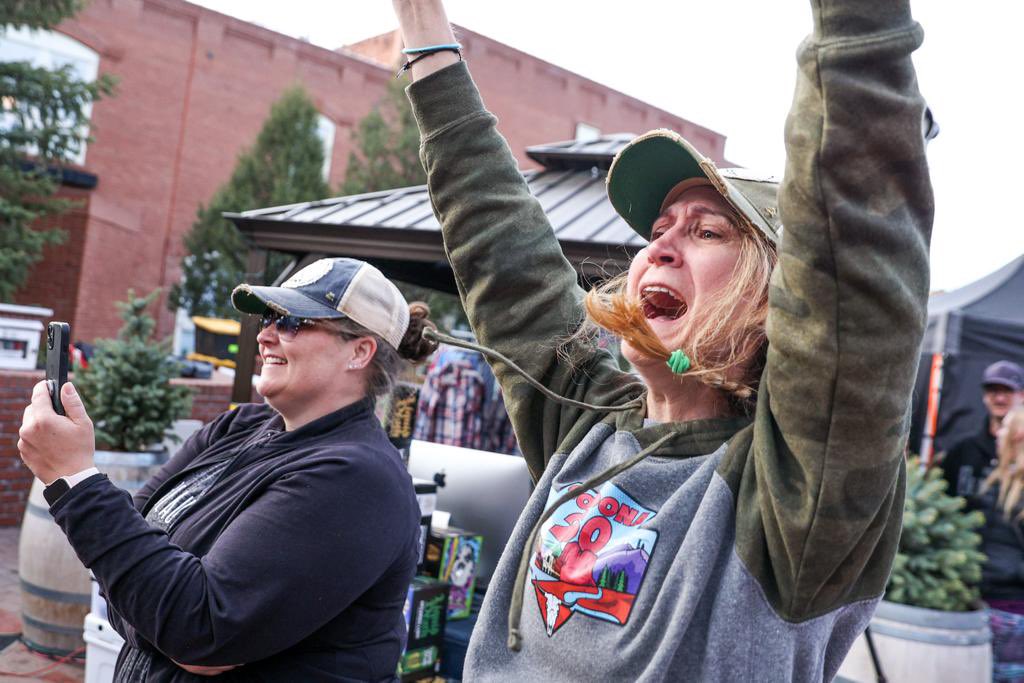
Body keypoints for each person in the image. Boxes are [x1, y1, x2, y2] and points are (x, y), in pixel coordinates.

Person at [390, 0, 933, 679]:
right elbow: (502, 246)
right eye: (657, 231)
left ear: (778, 304)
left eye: (706, 231)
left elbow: (852, 239)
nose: (661, 247)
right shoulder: (586, 421)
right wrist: (423, 30)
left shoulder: (794, 489)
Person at [17, 257, 438, 681]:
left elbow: (195, 629)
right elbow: (123, 563)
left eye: (292, 322)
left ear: (359, 352)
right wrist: (151, 610)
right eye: (268, 318)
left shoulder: (357, 480)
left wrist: (75, 478)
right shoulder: (239, 427)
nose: (265, 335)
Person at [970, 407, 1024, 680]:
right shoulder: (997, 480)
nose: (998, 433)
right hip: (989, 602)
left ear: (1017, 436)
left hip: (1010, 608)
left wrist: (1006, 574)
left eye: (1005, 427)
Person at [941, 360, 1024, 498]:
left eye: (1007, 390)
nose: (1000, 398)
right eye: (993, 391)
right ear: (984, 395)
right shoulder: (962, 449)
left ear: (1022, 395)